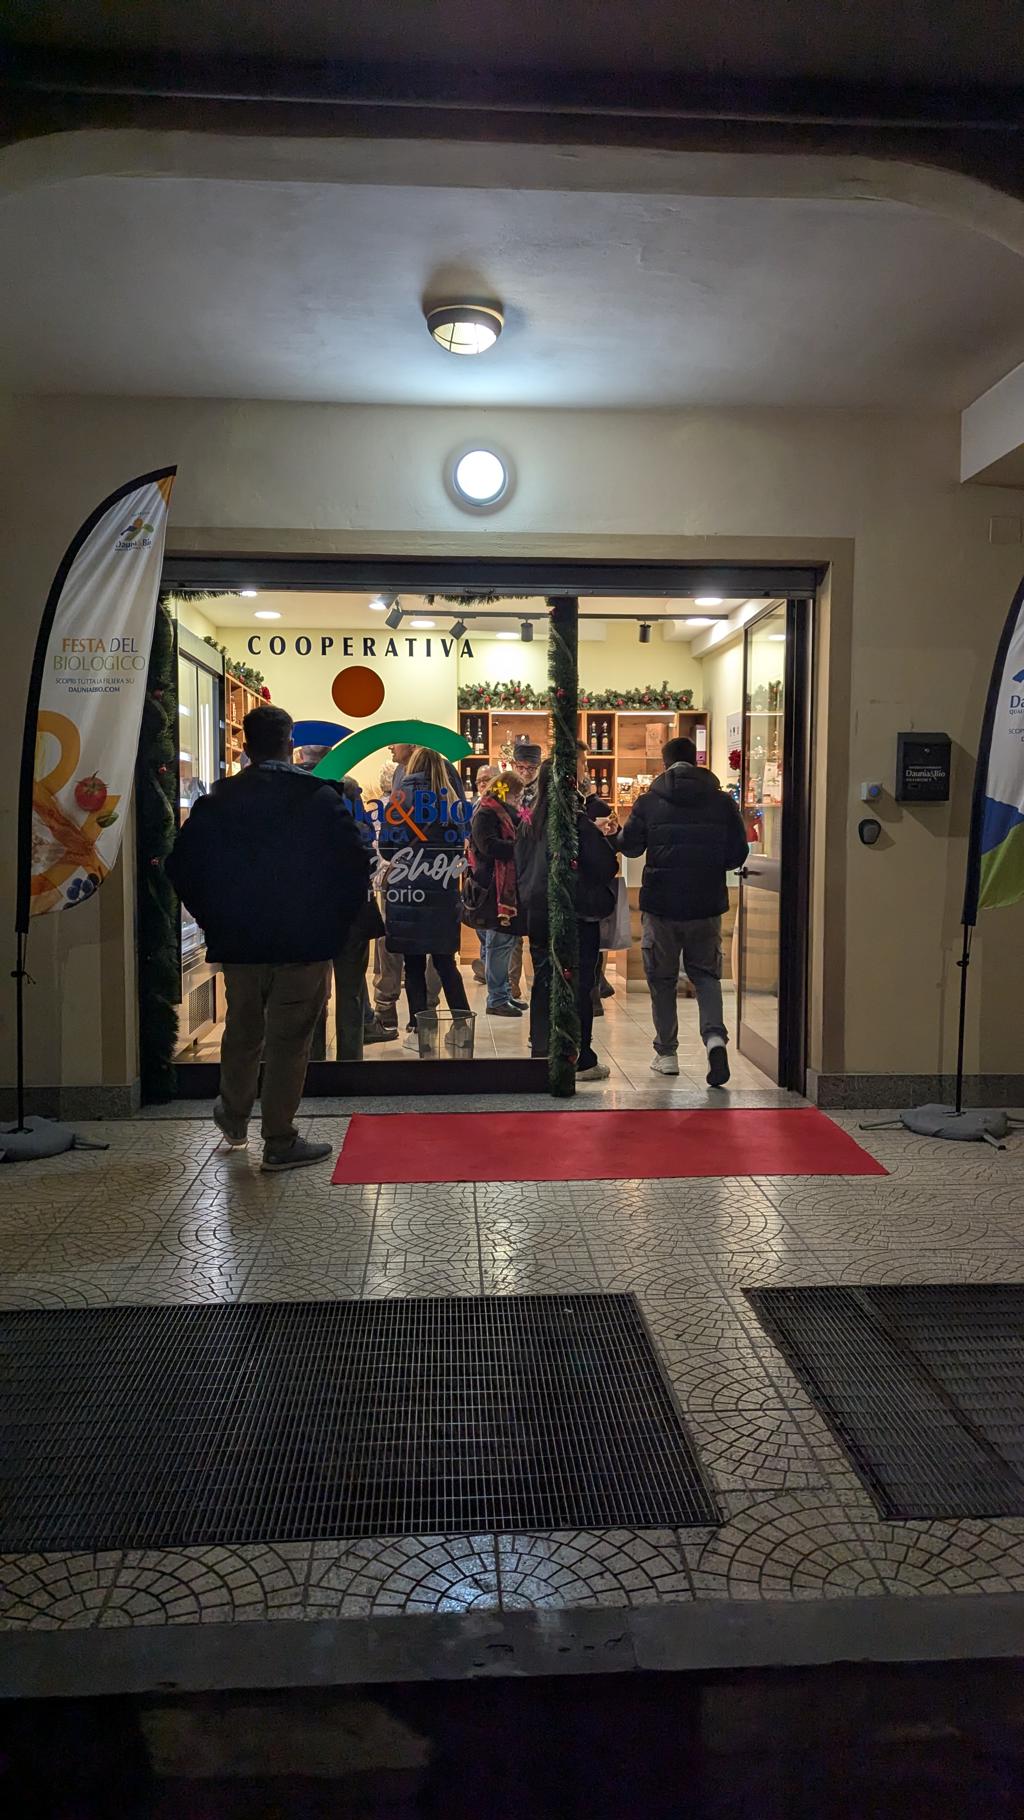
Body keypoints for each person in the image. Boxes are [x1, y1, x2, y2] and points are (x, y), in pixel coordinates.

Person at [166, 705, 369, 1168]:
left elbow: (182, 866)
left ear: (245, 746)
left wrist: (213, 918)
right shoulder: (319, 798)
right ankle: (279, 1139)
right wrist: (333, 924)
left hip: (241, 941)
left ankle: (233, 1116)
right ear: (289, 744)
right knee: (290, 1040)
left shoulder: (219, 800)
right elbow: (354, 866)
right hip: (304, 942)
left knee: (242, 1028)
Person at [601, 736, 748, 1086]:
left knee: (662, 979)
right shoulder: (722, 802)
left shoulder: (650, 801)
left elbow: (631, 848)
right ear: (695, 761)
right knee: (706, 976)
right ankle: (715, 1039)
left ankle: (667, 1053)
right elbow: (737, 853)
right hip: (706, 905)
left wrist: (612, 835)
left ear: (665, 764)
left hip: (661, 905)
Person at [516, 759, 617, 1080]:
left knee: (544, 981)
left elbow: (519, 865)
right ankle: (580, 1059)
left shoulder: (529, 821)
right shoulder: (576, 822)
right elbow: (605, 866)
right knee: (577, 986)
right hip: (575, 914)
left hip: (538, 911)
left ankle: (542, 1052)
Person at [381, 745, 472, 1050]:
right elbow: (459, 847)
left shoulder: (400, 798)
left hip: (407, 891)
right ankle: (462, 1028)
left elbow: (386, 847)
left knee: (413, 964)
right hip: (443, 889)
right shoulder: (452, 802)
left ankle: (421, 1032)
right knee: (446, 962)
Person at [370, 757, 441, 1034]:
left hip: (396, 880)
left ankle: (386, 1006)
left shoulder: (391, 805)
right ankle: (428, 1007)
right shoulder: (445, 799)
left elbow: (384, 848)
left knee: (390, 941)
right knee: (436, 946)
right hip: (439, 879)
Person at [463, 770, 528, 1017]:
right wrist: (520, 848)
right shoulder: (486, 812)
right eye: (517, 794)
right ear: (505, 791)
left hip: (505, 890)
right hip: (493, 891)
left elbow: (525, 825)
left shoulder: (505, 811)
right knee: (498, 944)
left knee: (506, 943)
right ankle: (497, 998)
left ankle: (504, 993)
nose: (519, 799)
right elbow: (488, 846)